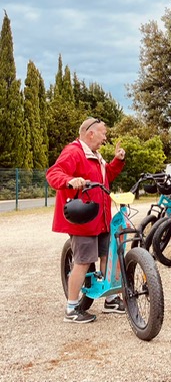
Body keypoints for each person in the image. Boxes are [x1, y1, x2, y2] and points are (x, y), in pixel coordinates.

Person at [47, 117, 126, 324]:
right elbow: (53, 173)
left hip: (100, 216)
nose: (105, 137)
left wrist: (117, 161)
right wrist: (69, 180)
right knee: (82, 262)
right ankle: (72, 308)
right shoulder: (74, 151)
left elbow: (105, 177)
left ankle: (110, 299)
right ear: (91, 133)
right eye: (103, 133)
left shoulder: (95, 155)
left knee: (107, 257)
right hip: (83, 218)